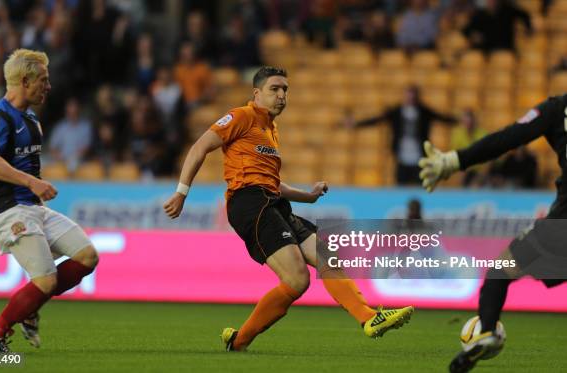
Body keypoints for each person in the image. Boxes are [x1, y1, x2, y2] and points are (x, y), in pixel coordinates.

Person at [163, 66, 414, 352]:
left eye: (285, 90)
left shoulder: (271, 130)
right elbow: (199, 147)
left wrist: (308, 196)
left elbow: (273, 183)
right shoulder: (241, 116)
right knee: (297, 279)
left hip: (273, 202)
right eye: (274, 89)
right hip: (249, 203)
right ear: (256, 93)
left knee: (326, 255)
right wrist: (181, 192)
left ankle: (369, 318)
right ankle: (240, 341)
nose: (282, 95)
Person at [418, 95, 567, 372]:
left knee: (501, 270)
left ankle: (486, 331)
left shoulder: (558, 109)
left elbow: (508, 138)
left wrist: (453, 160)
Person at [0, 49, 99, 353]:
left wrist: (34, 190)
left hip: (32, 207)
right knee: (44, 280)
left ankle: (30, 306)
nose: (49, 86)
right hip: (4, 208)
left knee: (87, 257)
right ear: (26, 81)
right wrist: (33, 183)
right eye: (43, 80)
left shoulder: (31, 119)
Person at [346, 85, 457, 185]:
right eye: (408, 96)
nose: (411, 99)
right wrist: (357, 124)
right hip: (401, 156)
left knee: (420, 184)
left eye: (413, 96)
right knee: (400, 185)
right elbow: (377, 119)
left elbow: (442, 118)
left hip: (419, 155)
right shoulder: (397, 112)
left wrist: (458, 121)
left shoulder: (423, 111)